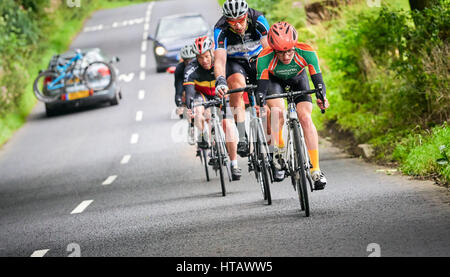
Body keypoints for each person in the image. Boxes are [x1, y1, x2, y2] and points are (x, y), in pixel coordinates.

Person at [256, 22, 329, 189]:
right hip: (274, 82)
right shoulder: (264, 57)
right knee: (277, 112)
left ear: (295, 46)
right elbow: (261, 89)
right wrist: (260, 102)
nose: (286, 56)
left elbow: (318, 83)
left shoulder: (306, 51)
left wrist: (322, 97)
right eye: (281, 53)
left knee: (305, 118)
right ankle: (280, 148)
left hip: (298, 80)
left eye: (289, 51)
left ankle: (316, 170)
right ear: (273, 49)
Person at [213, 0, 270, 158]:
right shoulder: (220, 28)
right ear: (226, 20)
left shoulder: (258, 19)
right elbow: (219, 60)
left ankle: (273, 149)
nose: (237, 26)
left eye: (241, 21)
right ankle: (242, 136)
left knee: (270, 104)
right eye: (232, 22)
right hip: (235, 62)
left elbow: (268, 49)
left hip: (258, 58)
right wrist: (220, 80)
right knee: (237, 86)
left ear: (246, 16)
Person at [184, 36, 242, 181]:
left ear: (212, 53)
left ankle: (234, 164)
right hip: (202, 95)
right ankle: (203, 136)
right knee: (197, 110)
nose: (204, 60)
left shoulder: (221, 63)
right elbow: (190, 93)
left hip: (220, 93)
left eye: (206, 56)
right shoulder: (191, 68)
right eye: (199, 57)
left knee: (227, 125)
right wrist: (190, 106)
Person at [174, 44, 196, 118]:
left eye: (192, 60)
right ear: (183, 60)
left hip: (200, 85)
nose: (189, 63)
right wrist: (179, 104)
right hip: (187, 87)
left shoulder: (201, 64)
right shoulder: (179, 69)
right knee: (184, 93)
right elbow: (178, 89)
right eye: (187, 61)